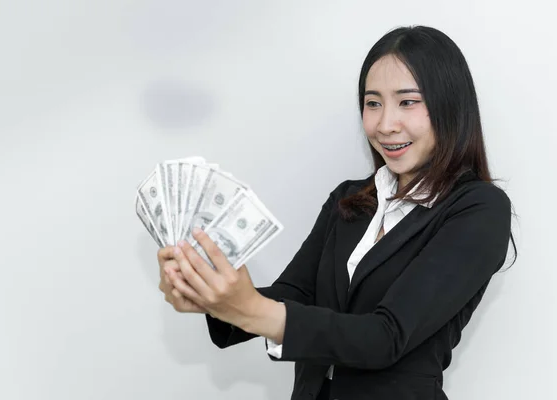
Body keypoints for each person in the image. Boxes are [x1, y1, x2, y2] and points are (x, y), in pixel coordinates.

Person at [157, 25, 518, 400]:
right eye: (373, 102)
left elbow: (386, 336)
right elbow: (294, 292)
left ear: (450, 107)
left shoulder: (478, 209)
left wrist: (250, 309)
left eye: (408, 102)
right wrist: (212, 294)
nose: (385, 124)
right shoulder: (350, 199)